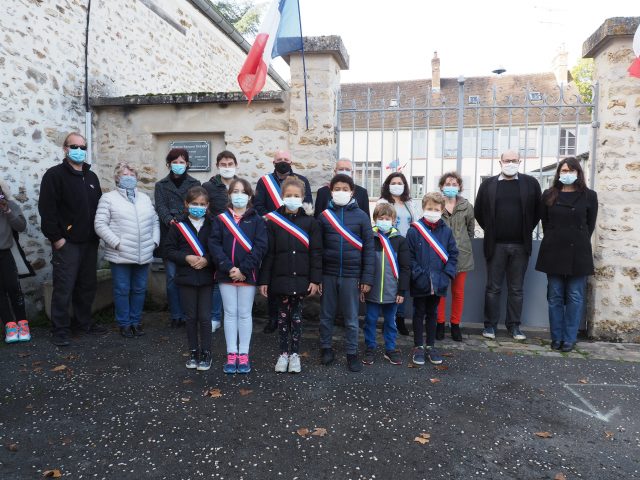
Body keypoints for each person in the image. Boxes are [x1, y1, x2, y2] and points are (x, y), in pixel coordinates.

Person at [38, 132, 107, 346]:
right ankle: (60, 329)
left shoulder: (92, 176)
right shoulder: (54, 175)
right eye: (74, 146)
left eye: (82, 147)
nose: (79, 150)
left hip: (89, 242)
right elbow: (47, 210)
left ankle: (83, 322)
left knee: (87, 285)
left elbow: (99, 208)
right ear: (65, 149)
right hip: (67, 243)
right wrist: (56, 238)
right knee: (64, 286)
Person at [474, 150, 542, 341]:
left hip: (521, 245)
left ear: (519, 162)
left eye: (514, 160)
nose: (510, 163)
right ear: (500, 162)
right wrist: (492, 230)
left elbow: (538, 210)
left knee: (516, 289)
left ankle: (514, 326)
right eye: (507, 160)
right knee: (493, 288)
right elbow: (479, 211)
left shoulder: (530, 183)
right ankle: (490, 326)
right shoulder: (488, 184)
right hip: (495, 246)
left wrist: (525, 228)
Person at [258, 177, 322, 373]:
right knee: (282, 318)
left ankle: (295, 354)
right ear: (282, 197)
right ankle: (283, 354)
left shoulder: (311, 222)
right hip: (280, 278)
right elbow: (269, 254)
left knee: (296, 318)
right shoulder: (273, 222)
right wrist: (264, 280)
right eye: (288, 195)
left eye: (296, 195)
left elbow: (316, 253)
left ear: (303, 197)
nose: (292, 198)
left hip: (301, 279)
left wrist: (315, 279)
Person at [535, 158, 598, 353]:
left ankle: (570, 338)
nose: (567, 173)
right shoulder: (549, 194)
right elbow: (545, 222)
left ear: (578, 173)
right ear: (558, 173)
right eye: (563, 170)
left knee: (575, 296)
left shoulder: (589, 196)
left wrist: (576, 239)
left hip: (578, 252)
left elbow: (590, 224)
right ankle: (557, 337)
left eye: (571, 170)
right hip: (553, 251)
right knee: (554, 296)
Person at [94, 162, 160, 338]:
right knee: (122, 289)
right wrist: (116, 243)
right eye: (125, 174)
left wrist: (154, 241)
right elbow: (100, 224)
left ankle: (136, 322)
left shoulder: (144, 198)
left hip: (143, 252)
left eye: (132, 174)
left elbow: (154, 221)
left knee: (139, 289)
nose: (129, 177)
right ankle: (124, 323)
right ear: (117, 177)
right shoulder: (108, 198)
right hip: (120, 253)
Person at [209, 178, 268, 374]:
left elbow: (260, 247)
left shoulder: (257, 220)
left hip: (247, 275)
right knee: (230, 313)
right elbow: (214, 245)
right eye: (235, 191)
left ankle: (244, 354)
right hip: (227, 274)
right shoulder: (220, 219)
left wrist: (243, 269)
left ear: (249, 196)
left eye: (243, 192)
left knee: (244, 314)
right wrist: (228, 268)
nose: (239, 195)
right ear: (229, 195)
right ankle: (231, 354)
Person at [317, 173, 374, 372]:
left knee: (351, 319)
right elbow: (317, 248)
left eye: (345, 189)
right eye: (337, 189)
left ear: (352, 192)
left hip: (352, 275)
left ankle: (351, 353)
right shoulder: (324, 216)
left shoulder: (362, 216)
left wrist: (366, 277)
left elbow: (368, 249)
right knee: (326, 315)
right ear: (331, 191)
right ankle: (326, 348)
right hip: (328, 274)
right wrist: (318, 277)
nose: (341, 192)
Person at [254, 150, 313, 334]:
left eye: (286, 159)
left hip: (297, 232)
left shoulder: (301, 180)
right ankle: (273, 318)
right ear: (273, 162)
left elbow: (309, 205)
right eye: (279, 160)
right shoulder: (264, 182)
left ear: (291, 161)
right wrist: (275, 220)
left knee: (295, 274)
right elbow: (258, 206)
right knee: (274, 276)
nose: (283, 162)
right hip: (272, 231)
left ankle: (295, 318)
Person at [166, 186, 216, 371]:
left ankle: (207, 352)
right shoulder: (178, 227)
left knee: (204, 317)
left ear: (207, 205)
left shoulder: (212, 225)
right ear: (186, 204)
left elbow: (217, 249)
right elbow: (168, 250)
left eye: (202, 204)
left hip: (206, 278)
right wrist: (185, 258)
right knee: (190, 317)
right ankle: (193, 351)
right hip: (186, 278)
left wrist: (207, 260)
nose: (198, 207)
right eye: (194, 203)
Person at [406, 192, 458, 366]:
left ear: (442, 210)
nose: (433, 211)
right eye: (429, 208)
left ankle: (431, 346)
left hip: (439, 282)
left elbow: (453, 255)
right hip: (420, 280)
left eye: (436, 209)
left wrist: (446, 276)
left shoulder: (447, 232)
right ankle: (418, 346)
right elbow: (409, 257)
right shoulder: (414, 231)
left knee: (433, 313)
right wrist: (418, 275)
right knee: (418, 312)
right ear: (423, 208)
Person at [154, 148, 200, 328]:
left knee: (189, 276)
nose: (178, 165)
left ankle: (190, 314)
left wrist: (180, 219)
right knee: (172, 278)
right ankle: (176, 314)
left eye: (182, 162)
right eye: (175, 162)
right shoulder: (160, 185)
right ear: (169, 164)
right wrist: (169, 220)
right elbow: (160, 206)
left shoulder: (195, 183)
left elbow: (196, 204)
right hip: (169, 236)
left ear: (187, 164)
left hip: (189, 236)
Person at [361, 203, 410, 366]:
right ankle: (370, 348)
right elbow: (363, 264)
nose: (384, 221)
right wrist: (361, 285)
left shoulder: (400, 241)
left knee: (390, 322)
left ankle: (390, 349)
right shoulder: (369, 238)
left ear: (394, 220)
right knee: (370, 321)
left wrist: (402, 291)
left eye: (387, 218)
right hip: (372, 291)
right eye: (380, 218)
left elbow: (405, 268)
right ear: (375, 220)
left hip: (392, 291)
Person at [377, 172, 421, 336]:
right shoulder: (382, 202)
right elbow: (377, 222)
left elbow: (415, 223)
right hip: (388, 245)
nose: (397, 185)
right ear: (388, 185)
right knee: (387, 281)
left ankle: (400, 318)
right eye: (393, 182)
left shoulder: (409, 203)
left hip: (407, 247)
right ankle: (388, 318)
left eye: (400, 182)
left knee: (403, 281)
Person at [203, 150, 239, 334]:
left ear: (235, 165)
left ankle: (236, 317)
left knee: (237, 278)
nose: (227, 167)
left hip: (238, 240)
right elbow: (204, 209)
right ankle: (215, 317)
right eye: (223, 164)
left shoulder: (240, 185)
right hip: (217, 238)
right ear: (218, 166)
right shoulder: (208, 187)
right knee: (218, 279)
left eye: (230, 164)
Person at [436, 172, 475, 342]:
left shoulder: (466, 206)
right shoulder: (436, 205)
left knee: (458, 292)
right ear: (442, 186)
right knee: (440, 292)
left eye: (454, 183)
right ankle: (439, 324)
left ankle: (455, 324)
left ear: (459, 186)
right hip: (440, 256)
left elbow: (470, 230)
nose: (451, 186)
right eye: (448, 183)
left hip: (462, 256)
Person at [0, 181, 30, 343]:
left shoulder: (10, 204)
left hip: (6, 253)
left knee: (13, 288)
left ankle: (22, 323)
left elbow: (21, 226)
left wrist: (8, 211)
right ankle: (10, 326)